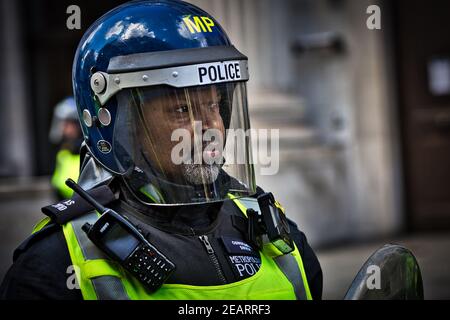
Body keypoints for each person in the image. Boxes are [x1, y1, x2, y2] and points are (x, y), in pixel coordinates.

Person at [0, 0, 322, 300]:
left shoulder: (276, 234)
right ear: (119, 128)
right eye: (181, 110)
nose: (209, 127)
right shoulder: (53, 266)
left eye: (214, 104)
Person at [49, 97, 82, 200]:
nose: (63, 128)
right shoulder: (63, 152)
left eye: (67, 123)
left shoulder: (90, 151)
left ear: (78, 124)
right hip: (67, 205)